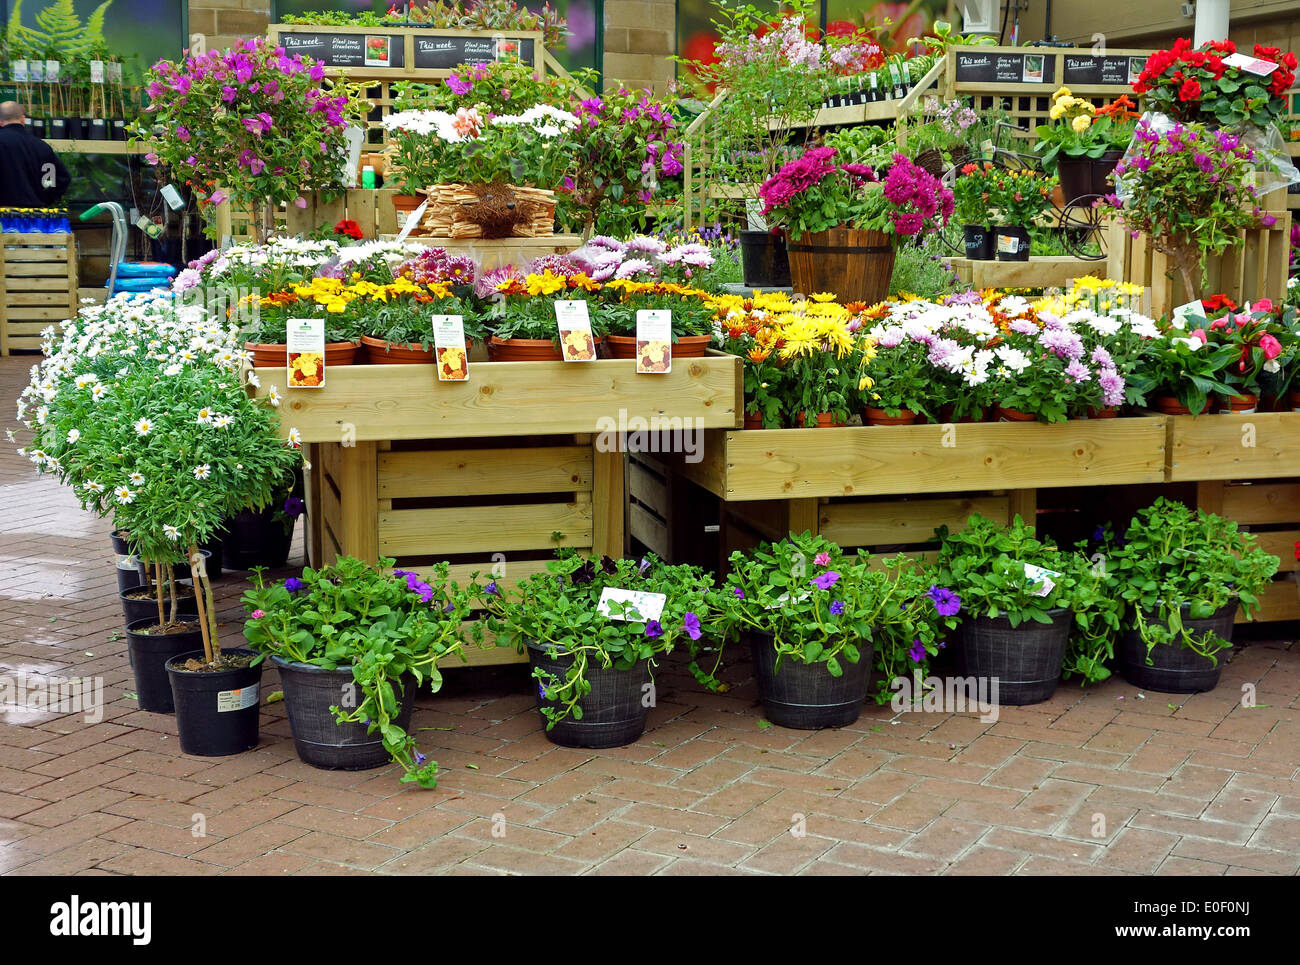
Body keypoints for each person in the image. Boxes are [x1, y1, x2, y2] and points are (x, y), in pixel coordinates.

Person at [0, 101, 71, 207]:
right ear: (23, 119)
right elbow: (62, 178)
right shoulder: (41, 146)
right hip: (33, 215)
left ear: (0, 122)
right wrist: (45, 198)